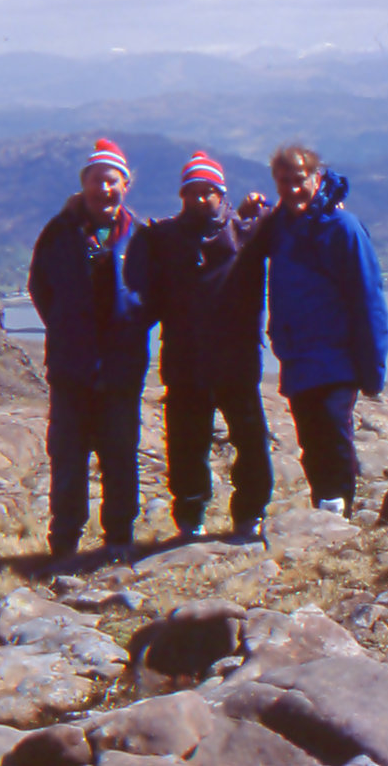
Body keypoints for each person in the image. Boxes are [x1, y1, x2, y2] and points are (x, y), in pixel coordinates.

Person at [124, 151, 273, 544]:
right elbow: (135, 284)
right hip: (185, 361)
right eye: (193, 191)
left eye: (209, 191)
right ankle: (190, 516)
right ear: (182, 195)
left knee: (251, 441)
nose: (201, 198)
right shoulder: (163, 238)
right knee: (187, 445)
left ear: (220, 193)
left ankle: (250, 513)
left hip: (237, 361)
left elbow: (301, 221)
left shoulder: (248, 232)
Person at [245, 144, 388, 515]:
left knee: (331, 430)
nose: (293, 189)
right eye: (284, 181)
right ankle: (324, 505)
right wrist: (247, 214)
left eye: (299, 180)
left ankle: (339, 510)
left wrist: (373, 368)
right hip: (298, 356)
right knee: (310, 437)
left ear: (317, 178)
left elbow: (368, 299)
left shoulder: (343, 228)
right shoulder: (281, 227)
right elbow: (246, 248)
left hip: (336, 355)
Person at [27, 138, 150, 560]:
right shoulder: (59, 232)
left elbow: (154, 294)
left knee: (119, 454)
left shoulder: (139, 235)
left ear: (125, 185)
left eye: (112, 181)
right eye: (97, 180)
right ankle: (64, 542)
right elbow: (40, 287)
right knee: (68, 456)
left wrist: (130, 326)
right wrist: (66, 328)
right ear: (85, 183)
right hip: (71, 367)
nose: (105, 188)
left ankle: (118, 538)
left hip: (120, 367)